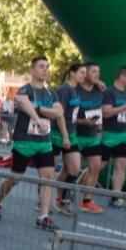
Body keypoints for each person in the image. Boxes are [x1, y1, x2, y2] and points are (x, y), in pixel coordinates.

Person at [0, 56, 66, 231]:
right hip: (24, 141)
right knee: (15, 178)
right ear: (32, 70)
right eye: (41, 67)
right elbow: (23, 103)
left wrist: (39, 110)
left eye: (47, 67)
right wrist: (37, 118)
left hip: (43, 141)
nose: (45, 70)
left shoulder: (50, 93)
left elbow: (59, 112)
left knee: (48, 177)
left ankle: (43, 216)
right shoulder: (25, 89)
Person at [101, 65, 126, 208]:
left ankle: (116, 197)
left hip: (124, 134)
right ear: (122, 77)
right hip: (108, 134)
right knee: (98, 166)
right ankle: (78, 187)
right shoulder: (109, 92)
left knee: (121, 166)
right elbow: (106, 113)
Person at [51, 63, 86, 217]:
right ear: (72, 73)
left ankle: (62, 199)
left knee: (74, 169)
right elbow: (59, 114)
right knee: (48, 170)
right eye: (81, 72)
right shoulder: (64, 90)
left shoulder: (76, 90)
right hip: (57, 134)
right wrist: (64, 135)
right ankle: (43, 200)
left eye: (85, 73)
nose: (84, 76)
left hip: (72, 134)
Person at [76, 62, 107, 213]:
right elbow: (67, 115)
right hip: (76, 135)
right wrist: (82, 121)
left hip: (92, 136)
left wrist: (99, 130)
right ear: (85, 73)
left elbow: (99, 111)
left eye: (98, 72)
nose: (97, 74)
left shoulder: (99, 90)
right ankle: (59, 197)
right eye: (94, 71)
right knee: (70, 171)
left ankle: (87, 200)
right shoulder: (75, 90)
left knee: (95, 167)